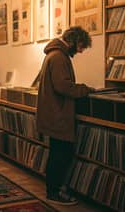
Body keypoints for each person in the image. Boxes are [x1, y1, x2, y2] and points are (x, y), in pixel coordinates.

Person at [36, 26, 95, 206]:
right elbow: (63, 86)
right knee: (60, 154)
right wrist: (85, 89)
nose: (81, 50)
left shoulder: (54, 55)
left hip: (54, 114)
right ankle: (54, 193)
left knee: (58, 153)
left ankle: (54, 189)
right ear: (73, 41)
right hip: (58, 115)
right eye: (80, 46)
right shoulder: (59, 57)